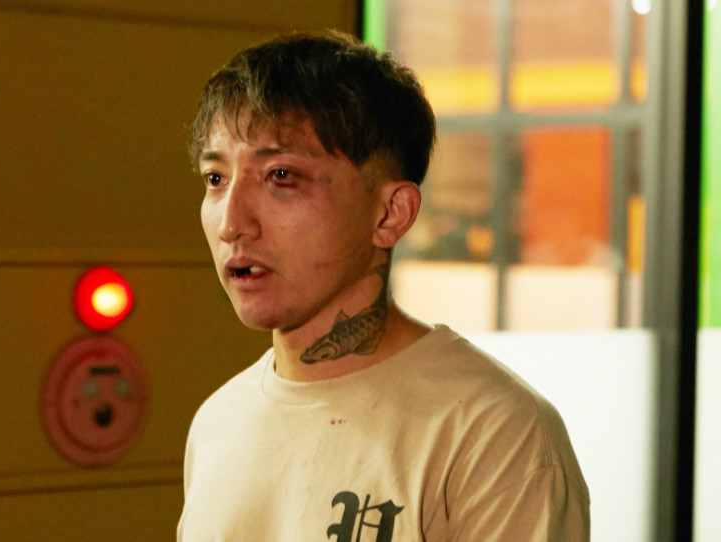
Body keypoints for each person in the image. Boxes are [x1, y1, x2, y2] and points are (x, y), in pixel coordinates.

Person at [178, 30, 590, 541]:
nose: (231, 223)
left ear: (391, 213)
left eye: (281, 175)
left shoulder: (492, 433)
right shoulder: (218, 422)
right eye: (215, 179)